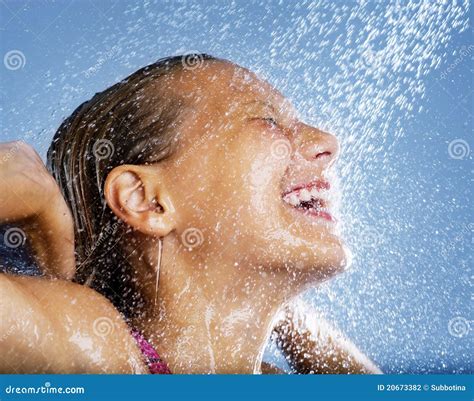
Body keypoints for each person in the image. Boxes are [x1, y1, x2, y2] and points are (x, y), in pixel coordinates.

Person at [0, 54, 381, 374]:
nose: (327, 143)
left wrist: (261, 298)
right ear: (146, 200)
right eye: (269, 121)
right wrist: (34, 200)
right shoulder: (89, 347)